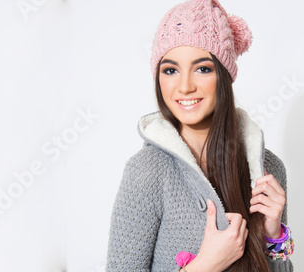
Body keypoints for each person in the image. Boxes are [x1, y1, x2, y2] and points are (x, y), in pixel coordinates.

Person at [105, 0, 295, 271]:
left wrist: (273, 234)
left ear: (225, 76)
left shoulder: (268, 172)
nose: (184, 86)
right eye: (170, 70)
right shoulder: (147, 172)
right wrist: (205, 265)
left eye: (202, 68)